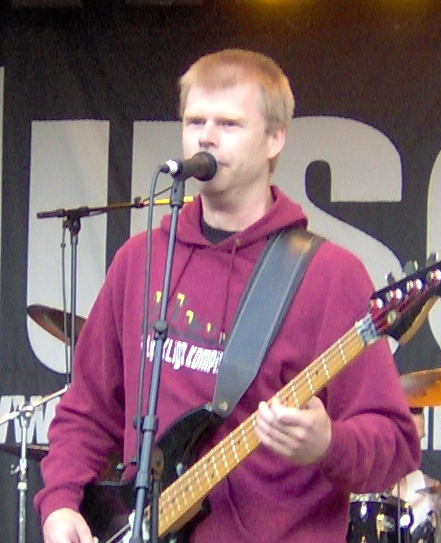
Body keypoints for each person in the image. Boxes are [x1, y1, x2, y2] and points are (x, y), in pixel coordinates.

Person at [34, 48, 421, 543]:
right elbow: (86, 410)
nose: (207, 136)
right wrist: (61, 503)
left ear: (275, 139)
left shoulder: (330, 275)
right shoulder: (140, 260)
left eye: (229, 123)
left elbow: (396, 444)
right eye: (195, 120)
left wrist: (329, 444)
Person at [392, 407, 441, 543]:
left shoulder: (432, 490)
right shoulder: (360, 492)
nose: (416, 451)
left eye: (419, 440)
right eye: (410, 440)